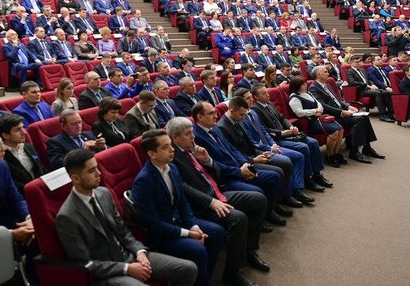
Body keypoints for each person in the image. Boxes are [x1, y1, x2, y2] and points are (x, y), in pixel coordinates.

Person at [56, 149, 198, 285]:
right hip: (109, 273)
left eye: (97, 167)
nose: (99, 173)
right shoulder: (67, 217)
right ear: (76, 178)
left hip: (130, 256)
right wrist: (126, 268)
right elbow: (86, 264)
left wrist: (139, 251)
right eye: (91, 170)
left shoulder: (103, 193)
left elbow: (123, 231)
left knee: (189, 269)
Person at [166, 117, 270, 282]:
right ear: (175, 137)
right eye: (188, 134)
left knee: (258, 199)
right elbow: (182, 187)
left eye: (192, 132)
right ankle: (232, 274)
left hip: (216, 192)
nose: (193, 136)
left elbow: (215, 174)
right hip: (201, 204)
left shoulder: (191, 149)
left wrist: (207, 160)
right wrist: (210, 202)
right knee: (239, 218)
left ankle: (249, 250)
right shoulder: (171, 155)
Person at [132, 129, 226, 286]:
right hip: (163, 233)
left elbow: (182, 202)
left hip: (179, 221)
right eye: (166, 147)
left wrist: (194, 226)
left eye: (171, 145)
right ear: (152, 154)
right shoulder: (144, 182)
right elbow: (154, 224)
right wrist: (189, 233)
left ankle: (203, 278)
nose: (172, 149)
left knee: (217, 232)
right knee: (197, 249)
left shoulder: (172, 168)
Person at [251, 84, 332, 188]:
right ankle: (308, 178)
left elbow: (282, 118)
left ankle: (317, 174)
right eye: (264, 93)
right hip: (276, 139)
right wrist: (282, 133)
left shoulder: (269, 103)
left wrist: (291, 127)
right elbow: (264, 130)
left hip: (287, 134)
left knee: (313, 142)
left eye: (267, 92)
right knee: (303, 147)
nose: (268, 95)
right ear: (256, 97)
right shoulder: (255, 110)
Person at [308, 66, 384, 163]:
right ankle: (354, 152)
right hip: (331, 116)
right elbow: (323, 106)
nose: (328, 74)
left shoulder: (327, 85)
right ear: (318, 75)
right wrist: (341, 112)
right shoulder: (314, 88)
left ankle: (367, 148)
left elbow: (339, 100)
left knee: (364, 117)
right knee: (359, 119)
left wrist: (348, 107)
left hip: (341, 112)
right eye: (325, 72)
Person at [0, 113, 45, 194]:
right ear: (6, 135)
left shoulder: (29, 147)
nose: (24, 132)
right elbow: (11, 184)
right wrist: (35, 189)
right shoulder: (0, 156)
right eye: (18, 130)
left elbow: (41, 169)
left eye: (23, 127)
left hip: (41, 189)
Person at [346, 57, 395, 123]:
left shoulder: (362, 70)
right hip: (361, 90)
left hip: (369, 89)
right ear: (351, 63)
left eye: (359, 62)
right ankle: (382, 115)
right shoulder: (350, 71)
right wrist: (366, 85)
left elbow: (369, 79)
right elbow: (352, 82)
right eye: (356, 62)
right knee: (379, 93)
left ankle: (391, 113)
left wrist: (372, 84)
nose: (358, 63)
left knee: (385, 92)